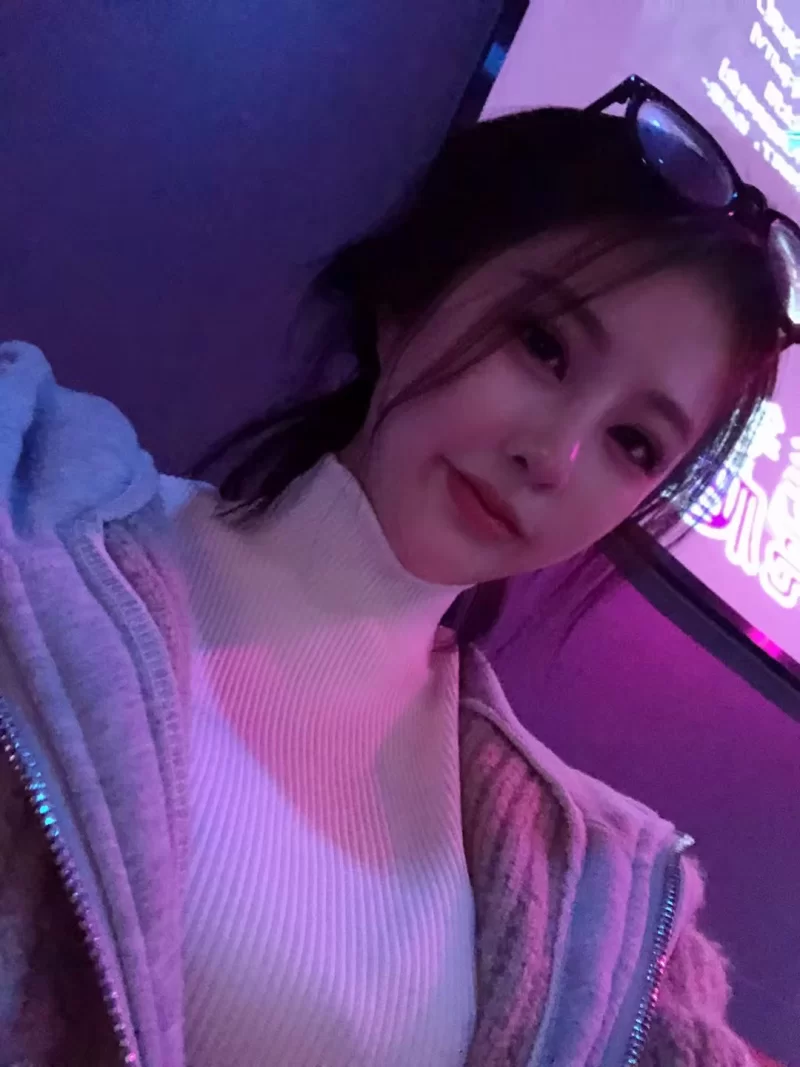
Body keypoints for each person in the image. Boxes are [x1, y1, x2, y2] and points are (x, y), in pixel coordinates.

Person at [0, 75, 795, 1067]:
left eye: (632, 442)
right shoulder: (29, 525)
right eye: (543, 346)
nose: (554, 458)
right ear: (408, 298)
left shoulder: (591, 882)